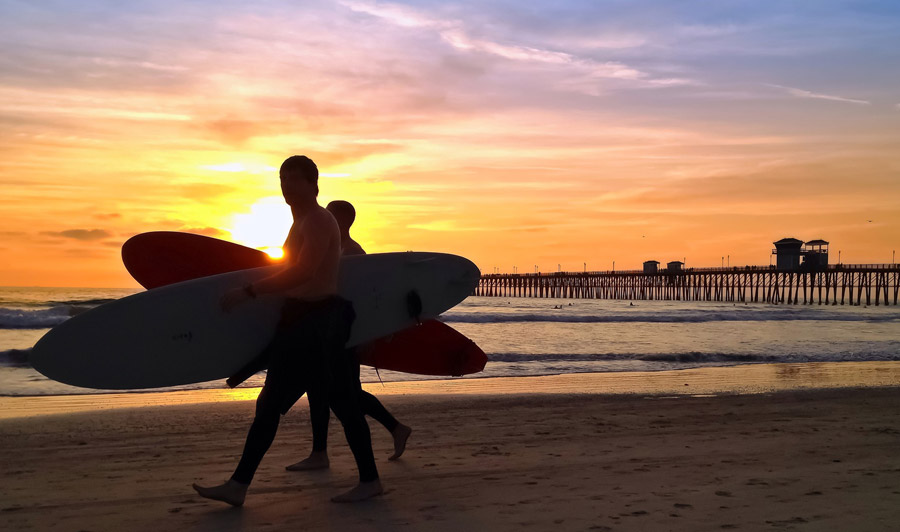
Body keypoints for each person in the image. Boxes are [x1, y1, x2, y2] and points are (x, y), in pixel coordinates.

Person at [192, 155, 382, 505]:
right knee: (306, 401)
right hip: (303, 318)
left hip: (318, 321)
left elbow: (304, 272)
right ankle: (239, 484)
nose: (287, 185)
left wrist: (250, 291)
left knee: (332, 400)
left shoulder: (318, 221)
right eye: (282, 178)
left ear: (314, 184)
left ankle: (368, 480)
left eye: (295, 179)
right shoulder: (301, 222)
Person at [284, 199, 411, 472]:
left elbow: (366, 298)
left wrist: (369, 336)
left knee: (340, 394)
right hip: (332, 330)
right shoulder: (337, 249)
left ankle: (391, 432)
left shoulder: (353, 253)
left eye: (330, 216)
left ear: (342, 221)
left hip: (346, 333)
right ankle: (322, 452)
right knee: (326, 391)